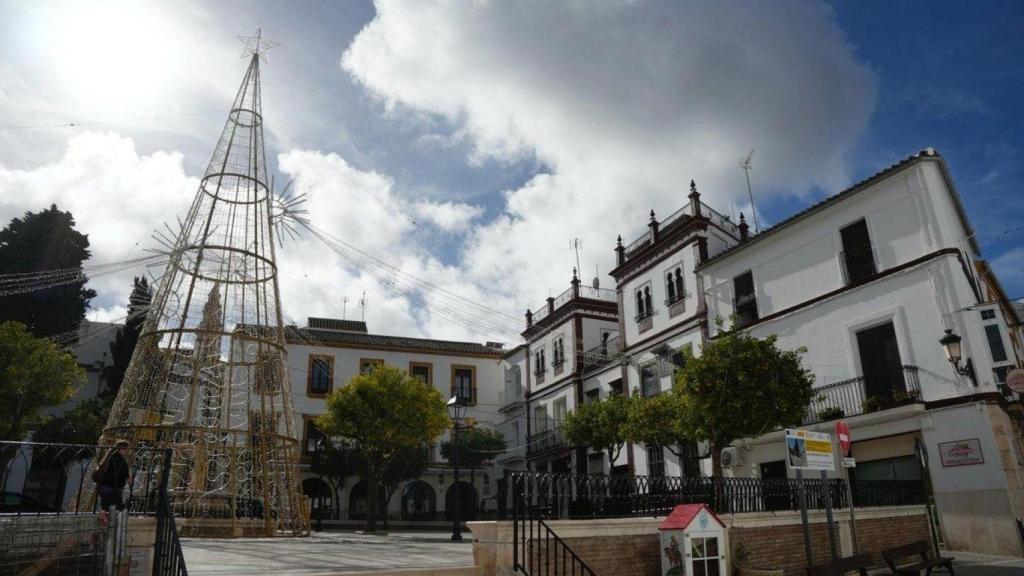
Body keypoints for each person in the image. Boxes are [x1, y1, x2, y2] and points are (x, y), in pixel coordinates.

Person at [96, 439, 132, 511]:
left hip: (104, 487)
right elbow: (126, 476)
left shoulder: (109, 456)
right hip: (114, 489)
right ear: (122, 449)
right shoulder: (121, 460)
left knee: (105, 510)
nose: (128, 451)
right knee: (117, 511)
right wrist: (130, 484)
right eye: (127, 449)